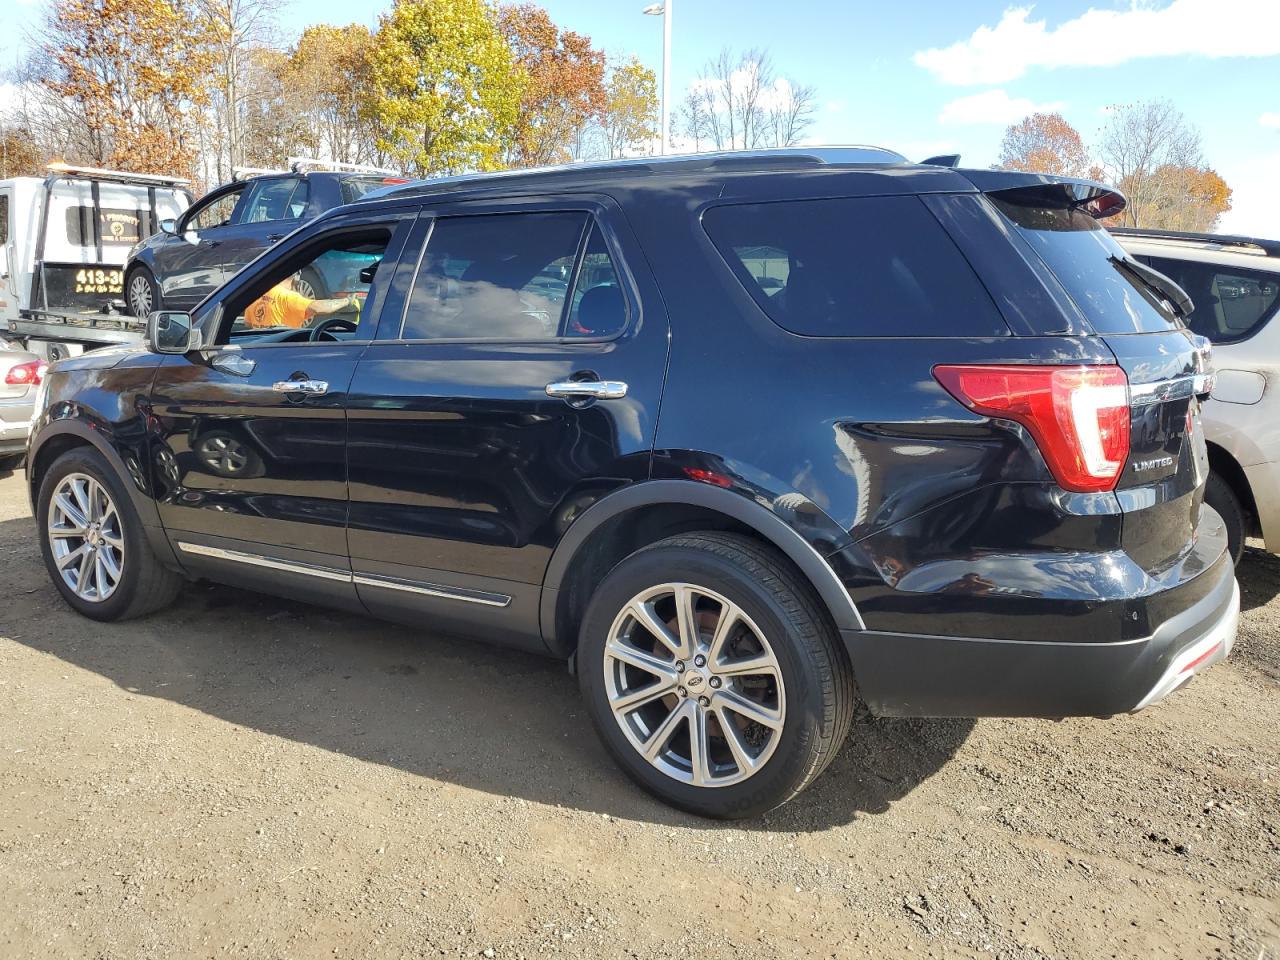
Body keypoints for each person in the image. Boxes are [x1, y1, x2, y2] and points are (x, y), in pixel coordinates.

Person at [243, 274, 360, 329]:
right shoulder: (287, 297)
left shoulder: (257, 294)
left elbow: (247, 323)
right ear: (296, 278)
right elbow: (317, 307)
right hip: (282, 347)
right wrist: (346, 301)